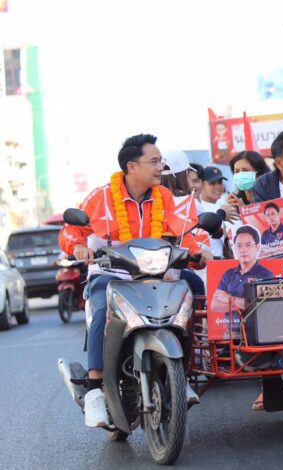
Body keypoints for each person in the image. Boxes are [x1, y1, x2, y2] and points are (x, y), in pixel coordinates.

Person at [59, 134, 213, 428]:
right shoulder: (101, 196)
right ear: (132, 166)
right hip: (110, 273)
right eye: (154, 161)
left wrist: (198, 249)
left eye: (161, 162)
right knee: (103, 308)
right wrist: (78, 246)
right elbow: (69, 231)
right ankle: (94, 389)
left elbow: (184, 232)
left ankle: (183, 371)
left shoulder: (164, 197)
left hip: (154, 271)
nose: (160, 168)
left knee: (190, 292)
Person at [159, 149, 206, 297]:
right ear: (183, 175)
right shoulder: (187, 203)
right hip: (165, 270)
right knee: (197, 284)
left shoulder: (147, 198)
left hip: (146, 269)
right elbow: (185, 238)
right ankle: (198, 320)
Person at [211, 225, 274, 313]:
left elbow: (263, 306)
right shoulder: (228, 274)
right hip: (231, 326)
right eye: (239, 246)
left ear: (258, 247)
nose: (243, 250)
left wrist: (229, 299)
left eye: (248, 245)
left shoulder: (265, 274)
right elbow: (214, 306)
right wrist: (245, 305)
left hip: (256, 326)